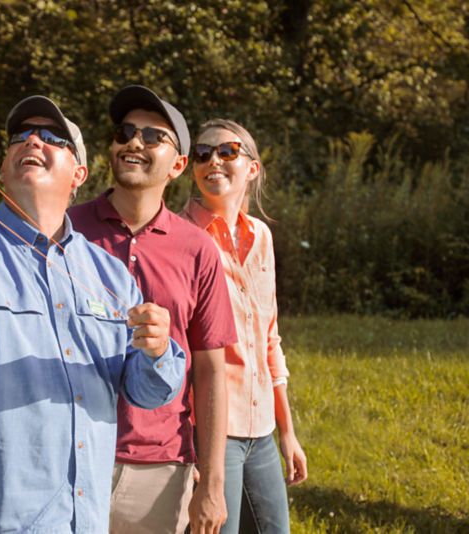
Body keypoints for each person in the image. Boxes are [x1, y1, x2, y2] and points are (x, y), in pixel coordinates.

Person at [0, 95, 186, 534]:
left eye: (52, 138)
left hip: (82, 522)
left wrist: (158, 351)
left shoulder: (112, 274)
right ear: (4, 170)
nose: (32, 140)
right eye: (20, 137)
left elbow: (146, 392)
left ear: (78, 175)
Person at [69, 86, 237, 534]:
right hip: (69, 455)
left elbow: (212, 371)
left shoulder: (198, 249)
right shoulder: (65, 230)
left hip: (159, 469)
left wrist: (213, 483)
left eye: (152, 136)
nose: (134, 143)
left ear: (179, 164)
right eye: (125, 132)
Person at [180, 118, 308, 534]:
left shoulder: (262, 237)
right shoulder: (181, 238)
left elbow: (268, 338)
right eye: (202, 153)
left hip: (261, 430)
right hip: (212, 431)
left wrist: (286, 432)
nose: (212, 160)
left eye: (227, 151)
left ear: (251, 167)